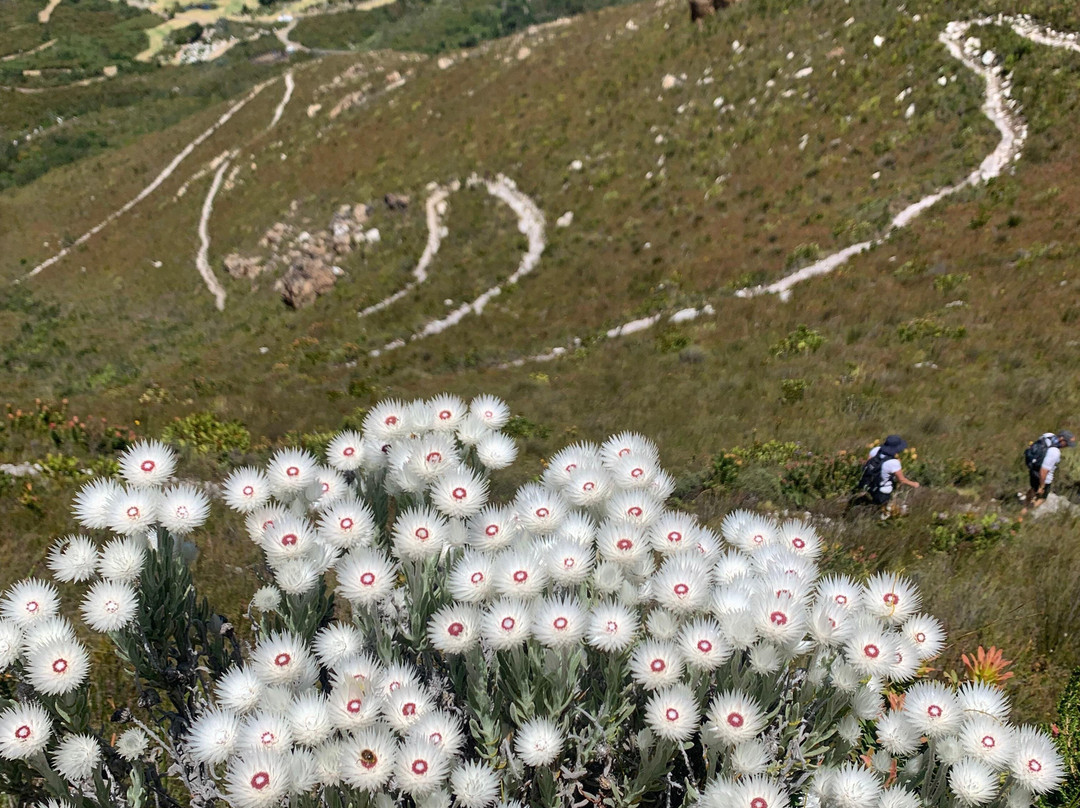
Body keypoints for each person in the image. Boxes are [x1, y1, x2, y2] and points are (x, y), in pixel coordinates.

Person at [860, 434, 920, 508]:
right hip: (883, 492)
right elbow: (901, 480)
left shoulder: (876, 450)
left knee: (871, 505)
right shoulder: (893, 463)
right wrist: (914, 484)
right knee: (881, 510)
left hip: (870, 485)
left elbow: (867, 464)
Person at [1025, 430, 1075, 506]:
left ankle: (1025, 504)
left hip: (1033, 469)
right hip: (1044, 478)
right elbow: (1043, 471)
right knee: (1041, 498)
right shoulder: (1055, 452)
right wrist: (1042, 486)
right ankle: (1022, 514)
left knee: (1033, 489)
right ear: (1061, 439)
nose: (1067, 446)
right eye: (1067, 443)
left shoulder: (1048, 435)